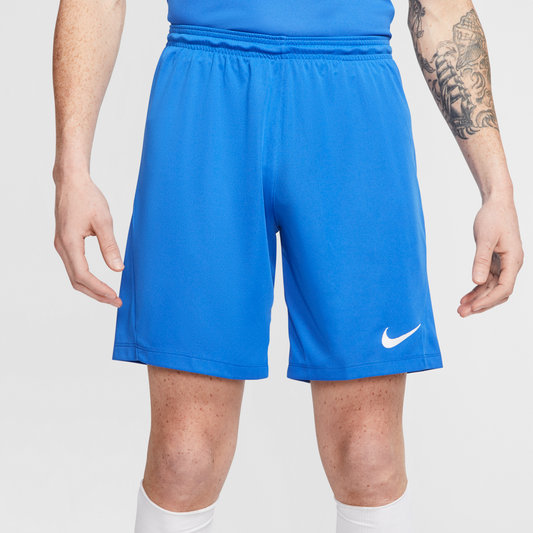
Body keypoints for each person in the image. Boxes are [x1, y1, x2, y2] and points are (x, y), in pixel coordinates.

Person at [52, 0, 524, 531]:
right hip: (205, 92)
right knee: (183, 460)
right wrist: (72, 168)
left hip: (352, 99)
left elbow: (441, 9)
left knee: (368, 458)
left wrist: (497, 189)